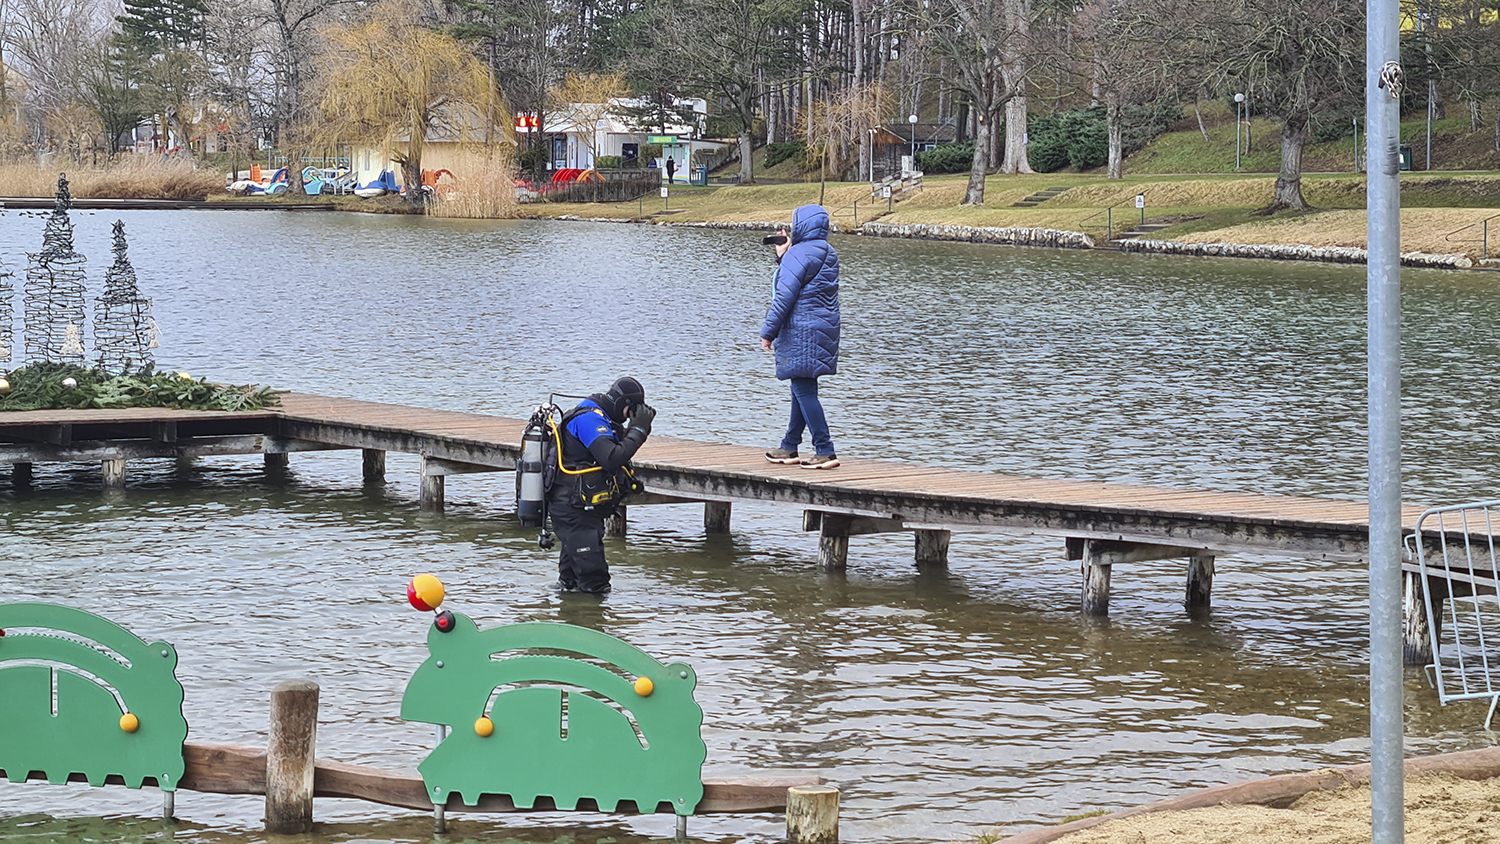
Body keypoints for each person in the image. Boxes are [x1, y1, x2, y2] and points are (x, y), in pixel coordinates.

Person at [548, 376, 656, 594]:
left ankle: (569, 610)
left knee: (571, 581)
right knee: (595, 582)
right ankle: (594, 614)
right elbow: (611, 458)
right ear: (624, 404)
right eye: (629, 412)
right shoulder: (589, 419)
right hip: (573, 510)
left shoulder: (598, 415)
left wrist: (637, 429)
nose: (627, 419)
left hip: (579, 507)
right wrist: (638, 431)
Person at [759, 204, 841, 469]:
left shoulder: (797, 255)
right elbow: (806, 283)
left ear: (802, 225)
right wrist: (786, 256)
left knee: (803, 389)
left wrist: (768, 332)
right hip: (823, 329)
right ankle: (790, 445)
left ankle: (825, 450)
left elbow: (783, 297)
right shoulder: (828, 252)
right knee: (802, 386)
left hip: (801, 330)